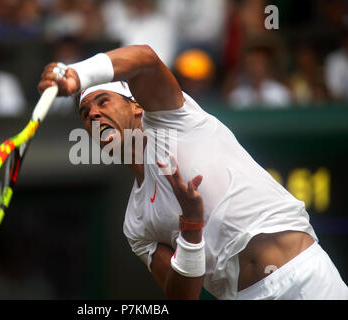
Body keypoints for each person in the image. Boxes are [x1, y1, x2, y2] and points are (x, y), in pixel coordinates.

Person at [38, 45, 348, 300]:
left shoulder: (174, 119)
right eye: (85, 113)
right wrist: (191, 228)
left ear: (136, 106)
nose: (93, 113)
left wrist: (78, 74)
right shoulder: (135, 223)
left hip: (306, 278)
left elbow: (144, 58)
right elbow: (182, 297)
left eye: (103, 101)